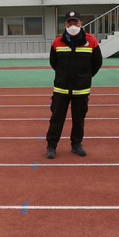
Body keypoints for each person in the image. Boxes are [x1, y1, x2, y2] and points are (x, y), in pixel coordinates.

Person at [45, 10, 103, 159]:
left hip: (81, 90)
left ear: (81, 24)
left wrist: (85, 77)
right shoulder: (57, 42)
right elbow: (54, 63)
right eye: (69, 23)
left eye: (75, 22)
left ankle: (76, 144)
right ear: (65, 24)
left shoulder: (91, 41)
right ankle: (51, 145)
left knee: (79, 120)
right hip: (61, 89)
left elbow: (97, 63)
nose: (72, 25)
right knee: (56, 119)